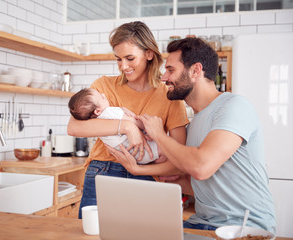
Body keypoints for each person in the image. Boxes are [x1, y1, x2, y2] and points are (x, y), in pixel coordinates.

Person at [106, 37, 276, 233]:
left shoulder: (234, 106)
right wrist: (150, 171)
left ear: (196, 70)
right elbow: (204, 185)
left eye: (170, 70)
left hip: (244, 227)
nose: (164, 78)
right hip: (203, 222)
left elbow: (201, 167)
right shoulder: (194, 122)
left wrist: (159, 135)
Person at [67, 21, 189, 219]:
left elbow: (180, 155)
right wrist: (126, 127)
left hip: (148, 175)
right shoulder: (104, 85)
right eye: (118, 59)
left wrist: (138, 169)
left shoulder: (169, 94)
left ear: (149, 54)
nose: (123, 66)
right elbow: (74, 127)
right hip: (104, 170)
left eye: (130, 58)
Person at [68, 87, 167, 164]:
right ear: (97, 111)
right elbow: (134, 122)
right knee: (166, 151)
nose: (103, 94)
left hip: (131, 156)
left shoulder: (93, 122)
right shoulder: (110, 112)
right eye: (102, 97)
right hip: (141, 149)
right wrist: (148, 127)